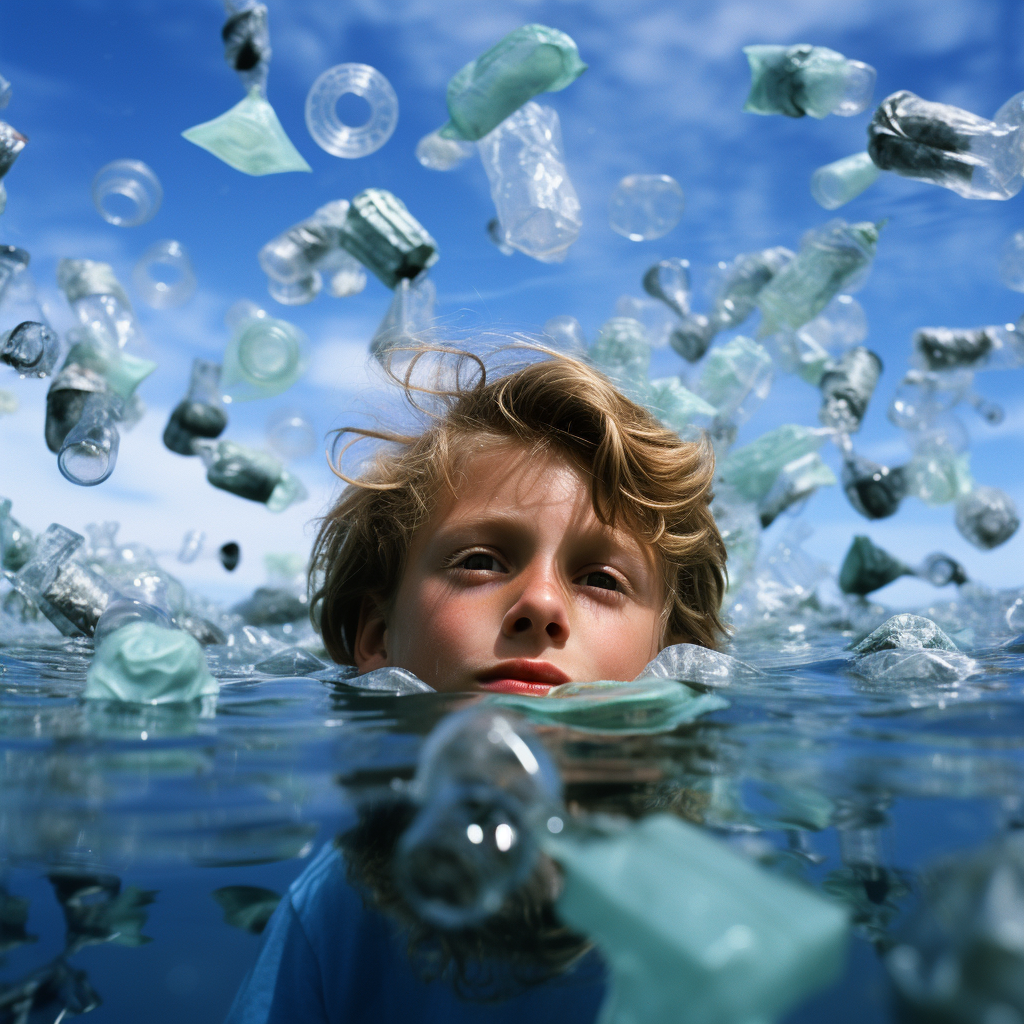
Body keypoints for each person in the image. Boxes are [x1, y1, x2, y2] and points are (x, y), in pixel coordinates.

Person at [225, 346, 728, 1023]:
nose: (542, 603)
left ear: (672, 660)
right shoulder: (335, 912)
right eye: (483, 561)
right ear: (376, 637)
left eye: (601, 579)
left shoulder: (705, 908)